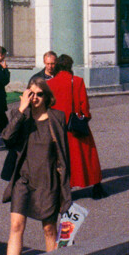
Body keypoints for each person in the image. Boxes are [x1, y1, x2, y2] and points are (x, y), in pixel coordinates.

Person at [3, 75, 71, 255]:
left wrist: (66, 190)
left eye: (39, 94)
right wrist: (21, 109)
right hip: (23, 180)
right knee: (16, 226)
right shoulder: (21, 117)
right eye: (31, 93)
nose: (34, 98)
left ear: (47, 96)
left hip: (47, 181)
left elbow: (63, 157)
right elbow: (7, 138)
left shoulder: (57, 118)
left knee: (49, 229)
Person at [51, 54, 105, 199]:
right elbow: (84, 106)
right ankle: (96, 185)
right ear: (70, 66)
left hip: (57, 127)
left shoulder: (50, 84)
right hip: (75, 125)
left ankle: (64, 189)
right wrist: (86, 118)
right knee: (88, 156)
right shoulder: (78, 81)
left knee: (61, 158)